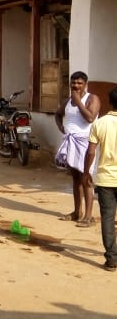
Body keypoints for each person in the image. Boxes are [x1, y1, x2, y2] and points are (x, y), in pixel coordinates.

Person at [55, 71, 100, 226]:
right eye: (73, 83)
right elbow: (58, 114)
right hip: (70, 143)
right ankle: (76, 212)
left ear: (85, 84)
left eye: (80, 83)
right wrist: (62, 127)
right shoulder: (67, 101)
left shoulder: (92, 99)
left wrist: (78, 101)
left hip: (86, 144)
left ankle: (88, 216)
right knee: (75, 178)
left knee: (86, 178)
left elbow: (89, 118)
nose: (76, 86)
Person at [83, 86, 117, 271]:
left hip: (105, 179)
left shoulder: (100, 124)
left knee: (107, 218)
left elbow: (91, 151)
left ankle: (112, 259)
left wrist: (86, 171)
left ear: (109, 102)